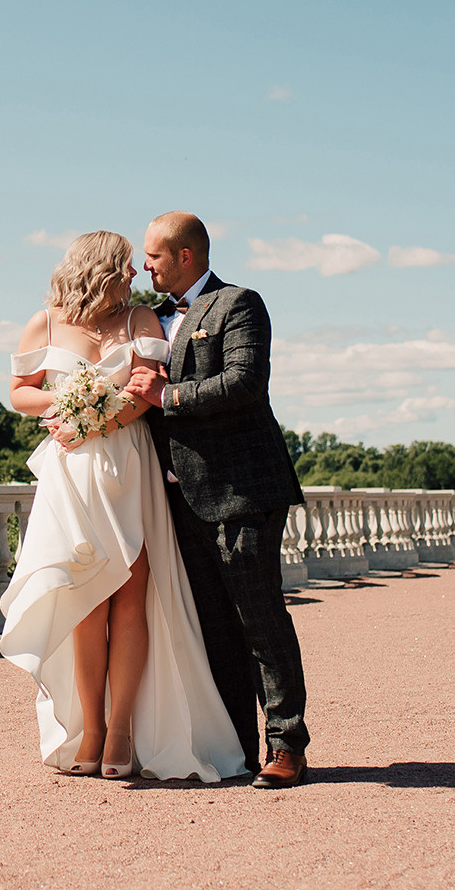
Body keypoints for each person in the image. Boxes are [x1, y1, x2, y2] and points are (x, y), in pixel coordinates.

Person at [0, 231, 248, 783]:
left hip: (128, 465)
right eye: (127, 265)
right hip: (71, 473)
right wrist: (67, 402)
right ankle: (91, 727)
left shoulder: (140, 319)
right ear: (101, 266)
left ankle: (122, 730)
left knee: (131, 598)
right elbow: (19, 391)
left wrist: (92, 420)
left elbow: (145, 391)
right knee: (87, 600)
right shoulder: (45, 322)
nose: (136, 274)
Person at [128, 210, 312, 789]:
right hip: (177, 499)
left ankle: (287, 746)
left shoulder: (239, 304)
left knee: (260, 619)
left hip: (241, 490)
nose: (145, 265)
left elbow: (244, 382)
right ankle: (236, 751)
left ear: (185, 256)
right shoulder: (148, 318)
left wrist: (167, 395)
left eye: (154, 255)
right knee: (213, 627)